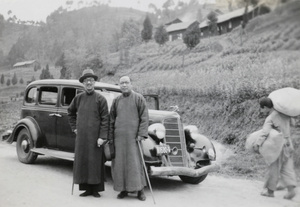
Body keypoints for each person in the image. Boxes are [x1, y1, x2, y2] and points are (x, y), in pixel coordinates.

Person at [67, 68, 109, 198]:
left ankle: (96, 189)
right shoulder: (78, 98)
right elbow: (70, 113)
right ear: (83, 83)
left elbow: (105, 119)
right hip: (82, 137)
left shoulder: (101, 99)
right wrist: (74, 128)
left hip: (96, 138)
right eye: (86, 81)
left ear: (94, 82)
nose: (89, 83)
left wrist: (102, 137)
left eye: (91, 80)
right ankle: (86, 189)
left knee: (95, 163)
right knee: (83, 162)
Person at [109, 76, 149, 201]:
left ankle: (140, 190)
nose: (124, 85)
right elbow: (111, 120)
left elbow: (144, 117)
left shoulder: (138, 98)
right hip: (119, 138)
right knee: (120, 164)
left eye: (126, 83)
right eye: (122, 83)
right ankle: (123, 189)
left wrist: (141, 134)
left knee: (136, 164)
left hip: (134, 138)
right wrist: (111, 137)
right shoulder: (116, 101)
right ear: (119, 85)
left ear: (131, 84)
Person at [253, 97, 297, 200]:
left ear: (265, 107)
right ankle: (291, 190)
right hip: (288, 144)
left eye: (261, 108)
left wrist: (257, 143)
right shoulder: (285, 114)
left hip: (278, 145)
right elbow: (293, 124)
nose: (261, 111)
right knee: (287, 167)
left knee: (273, 167)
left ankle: (270, 191)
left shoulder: (270, 117)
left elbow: (265, 132)